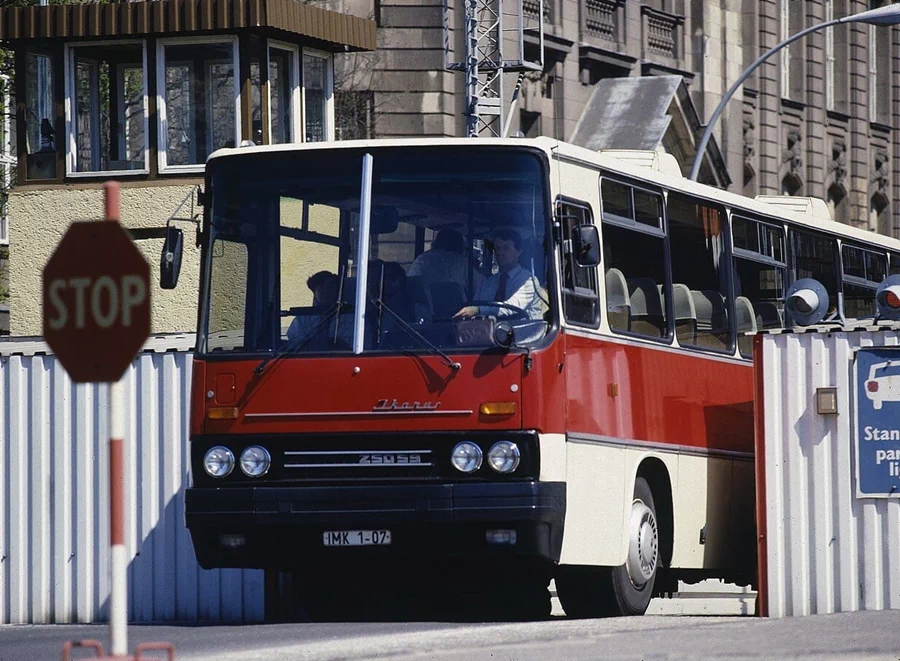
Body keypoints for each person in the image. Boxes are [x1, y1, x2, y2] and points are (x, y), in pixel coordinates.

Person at [453, 228, 546, 320]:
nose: (500, 253)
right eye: (497, 248)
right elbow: (476, 305)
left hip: (525, 333)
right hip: (487, 332)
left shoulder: (528, 281)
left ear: (519, 251)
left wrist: (478, 310)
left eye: (506, 248)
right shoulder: (487, 283)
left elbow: (511, 308)